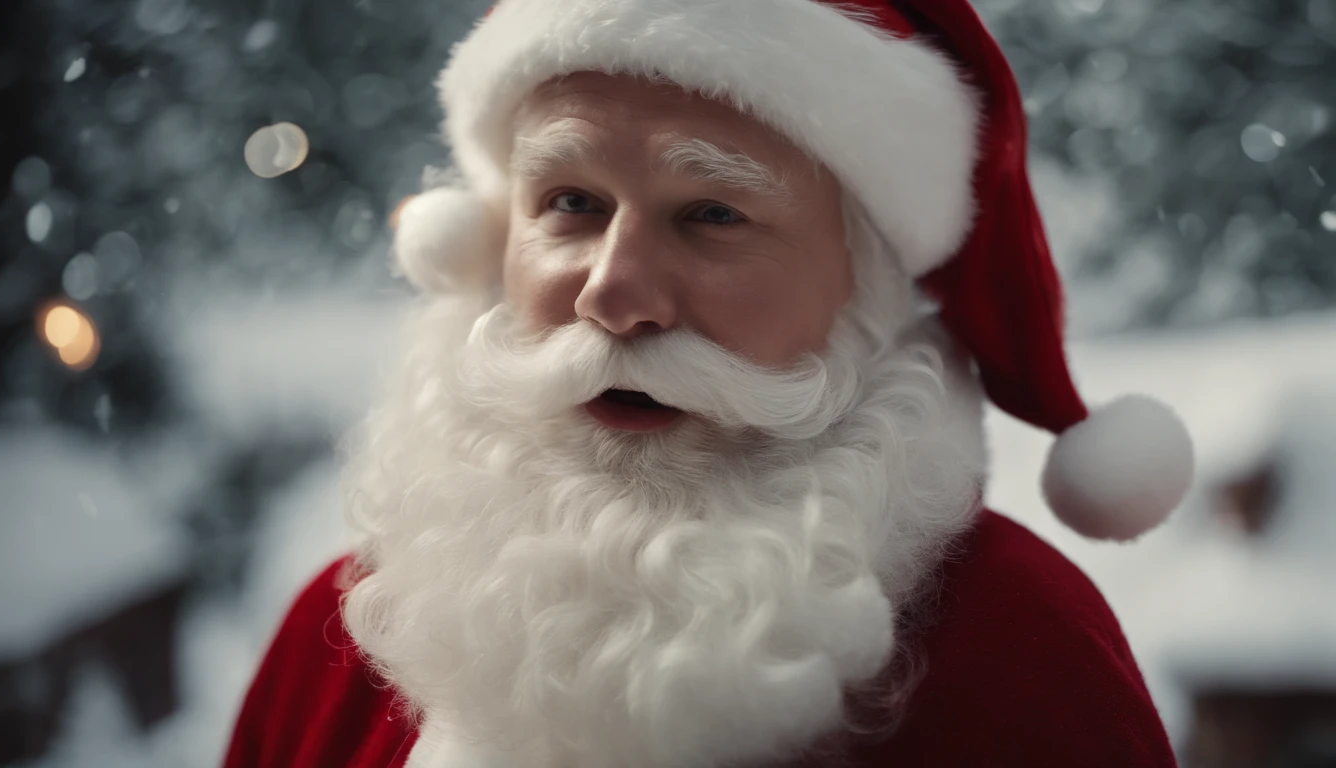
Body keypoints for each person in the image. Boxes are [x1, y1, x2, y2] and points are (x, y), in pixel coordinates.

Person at [224, 1, 1197, 766]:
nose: (613, 295)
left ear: (868, 282)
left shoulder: (1021, 663)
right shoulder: (345, 637)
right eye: (570, 203)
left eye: (711, 214)